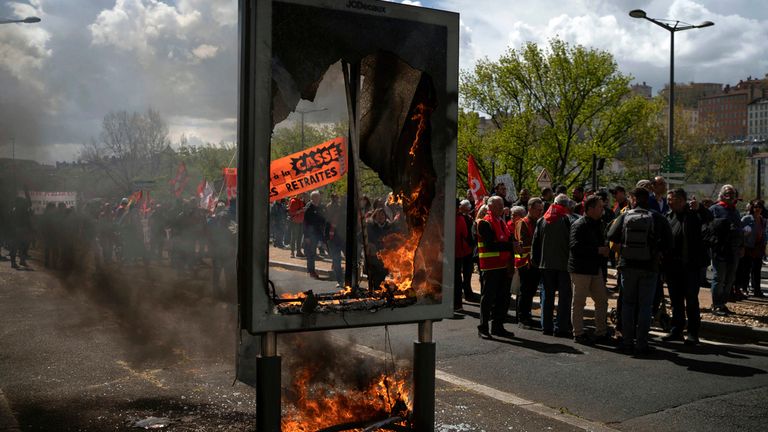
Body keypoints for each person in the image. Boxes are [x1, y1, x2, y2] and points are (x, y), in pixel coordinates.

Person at [607, 187, 672, 355]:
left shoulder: (625, 216)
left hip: (628, 266)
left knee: (628, 305)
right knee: (645, 306)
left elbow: (611, 235)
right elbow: (669, 243)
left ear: (633, 199)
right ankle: (642, 343)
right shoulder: (657, 218)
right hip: (649, 268)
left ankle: (627, 341)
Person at [661, 188, 712, 345]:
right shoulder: (668, 217)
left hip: (691, 266)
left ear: (683, 200)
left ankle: (693, 332)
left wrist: (700, 208)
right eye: (669, 199)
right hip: (672, 267)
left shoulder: (694, 214)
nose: (670, 202)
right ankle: (676, 330)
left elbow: (709, 218)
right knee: (676, 301)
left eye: (674, 199)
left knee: (691, 300)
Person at [569, 195, 611, 344]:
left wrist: (605, 250)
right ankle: (578, 333)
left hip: (595, 269)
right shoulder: (578, 224)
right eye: (600, 207)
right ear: (590, 209)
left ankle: (601, 332)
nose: (603, 209)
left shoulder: (599, 223)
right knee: (579, 302)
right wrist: (597, 250)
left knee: (602, 300)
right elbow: (575, 247)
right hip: (580, 269)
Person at [531, 193, 574, 337]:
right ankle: (561, 327)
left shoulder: (543, 220)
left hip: (545, 265)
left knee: (547, 296)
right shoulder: (568, 220)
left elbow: (535, 243)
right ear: (566, 206)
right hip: (563, 265)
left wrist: (536, 261)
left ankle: (546, 326)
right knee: (564, 297)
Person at [476, 196, 517, 339]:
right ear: (490, 207)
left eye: (502, 205)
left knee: (503, 298)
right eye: (499, 205)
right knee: (488, 298)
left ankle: (498, 326)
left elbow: (506, 239)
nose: (502, 208)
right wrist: (510, 246)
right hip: (490, 267)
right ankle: (483, 327)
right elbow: (490, 245)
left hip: (503, 265)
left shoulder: (501, 221)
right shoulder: (485, 223)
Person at [708, 184, 744, 316]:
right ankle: (716, 304)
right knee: (719, 277)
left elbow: (739, 230)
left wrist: (741, 246)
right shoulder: (715, 209)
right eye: (727, 193)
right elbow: (708, 228)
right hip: (720, 249)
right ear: (722, 195)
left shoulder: (735, 211)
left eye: (733, 193)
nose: (730, 195)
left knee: (730, 279)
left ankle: (722, 304)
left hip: (734, 250)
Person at [515, 197, 543, 328]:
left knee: (530, 291)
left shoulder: (538, 222)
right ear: (530, 208)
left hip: (535, 262)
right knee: (525, 291)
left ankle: (527, 315)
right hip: (525, 263)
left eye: (541, 210)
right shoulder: (523, 222)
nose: (540, 212)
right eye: (538, 210)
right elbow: (523, 243)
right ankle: (522, 318)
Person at [737, 200, 767, 298]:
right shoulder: (746, 218)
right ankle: (744, 289)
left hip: (758, 248)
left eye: (759, 207)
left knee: (757, 270)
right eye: (755, 207)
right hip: (748, 247)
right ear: (752, 208)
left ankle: (757, 290)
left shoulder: (763, 220)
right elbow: (739, 231)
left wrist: (764, 245)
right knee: (746, 269)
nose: (757, 209)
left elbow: (764, 233)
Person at [455, 199, 479, 311]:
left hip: (459, 251)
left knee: (458, 278)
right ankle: (458, 302)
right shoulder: (460, 218)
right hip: (460, 251)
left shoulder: (460, 218)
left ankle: (457, 303)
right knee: (459, 277)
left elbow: (464, 234)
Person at [366, 208, 391, 292]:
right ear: (375, 217)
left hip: (385, 256)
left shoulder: (389, 226)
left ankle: (379, 291)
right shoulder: (370, 226)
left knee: (382, 275)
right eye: (379, 215)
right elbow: (360, 237)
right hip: (373, 256)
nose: (381, 217)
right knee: (374, 276)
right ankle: (375, 291)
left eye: (382, 215)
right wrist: (368, 244)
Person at [303, 191, 326, 279]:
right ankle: (311, 271)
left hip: (319, 233)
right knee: (311, 253)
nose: (317, 198)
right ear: (312, 198)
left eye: (318, 197)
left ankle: (335, 268)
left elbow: (323, 219)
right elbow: (305, 223)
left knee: (328, 248)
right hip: (311, 235)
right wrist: (307, 236)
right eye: (316, 197)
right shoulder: (309, 208)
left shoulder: (320, 207)